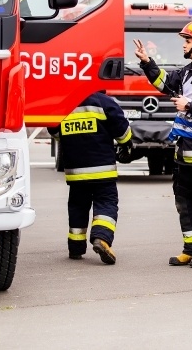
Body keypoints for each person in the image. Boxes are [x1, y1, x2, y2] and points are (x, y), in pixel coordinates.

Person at [133, 20, 192, 268]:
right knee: (185, 201)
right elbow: (164, 82)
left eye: (187, 41)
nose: (184, 45)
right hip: (186, 151)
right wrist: (147, 62)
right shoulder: (189, 71)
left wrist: (189, 105)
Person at [53, 90, 133, 264]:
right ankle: (101, 238)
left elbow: (55, 131)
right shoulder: (104, 102)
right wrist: (126, 144)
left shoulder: (63, 102)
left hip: (75, 172)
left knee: (77, 207)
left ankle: (75, 247)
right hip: (102, 170)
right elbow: (123, 131)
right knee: (106, 202)